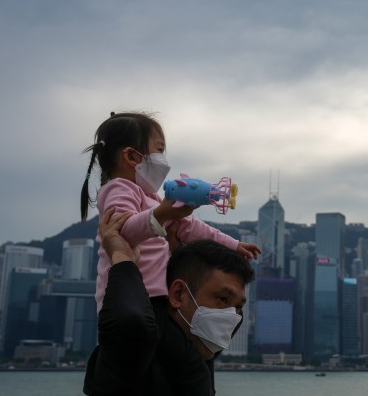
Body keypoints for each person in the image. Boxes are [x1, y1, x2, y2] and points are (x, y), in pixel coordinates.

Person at [85, 206, 255, 396]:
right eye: (223, 300)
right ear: (177, 294)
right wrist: (121, 257)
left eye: (238, 307)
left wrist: (174, 250)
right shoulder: (133, 357)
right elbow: (132, 323)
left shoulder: (198, 350)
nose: (231, 316)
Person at [79, 111, 260, 309]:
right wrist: (162, 214)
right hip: (125, 300)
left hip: (157, 297)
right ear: (132, 156)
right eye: (159, 150)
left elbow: (192, 227)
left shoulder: (154, 199)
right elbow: (121, 233)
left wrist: (232, 245)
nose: (163, 159)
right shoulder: (118, 188)